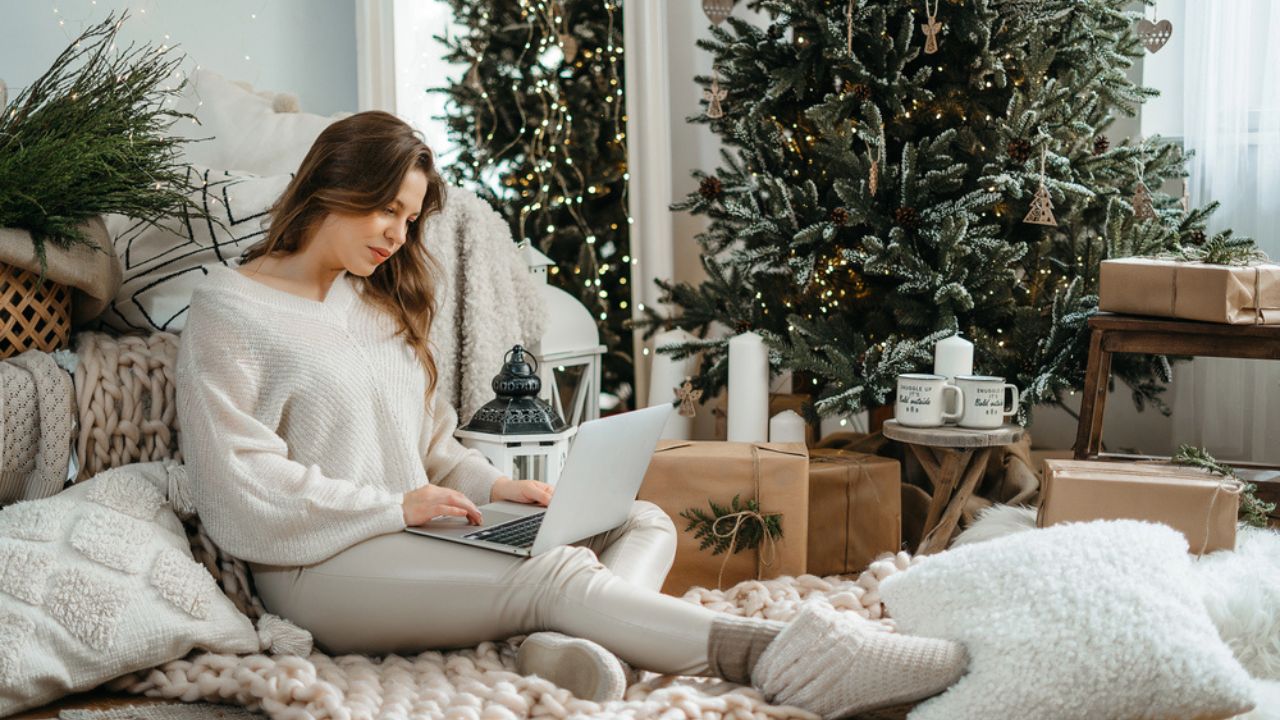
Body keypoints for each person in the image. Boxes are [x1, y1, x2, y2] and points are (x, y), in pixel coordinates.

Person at [175, 110, 967, 717]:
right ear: (331, 183)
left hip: (413, 534)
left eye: (411, 218)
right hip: (317, 566)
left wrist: (493, 486)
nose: (398, 234)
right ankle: (779, 655)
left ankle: (572, 647)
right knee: (555, 571)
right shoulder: (229, 311)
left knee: (640, 522)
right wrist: (396, 504)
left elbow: (433, 445)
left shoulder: (376, 306)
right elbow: (238, 488)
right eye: (387, 209)